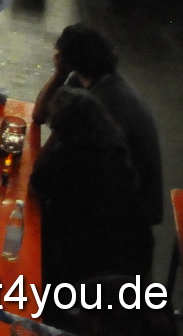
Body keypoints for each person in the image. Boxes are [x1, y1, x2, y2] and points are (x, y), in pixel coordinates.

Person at [31, 89, 155, 314]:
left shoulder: (69, 157)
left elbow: (36, 182)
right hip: (135, 261)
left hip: (88, 268)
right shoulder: (117, 153)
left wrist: (55, 137)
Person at [30, 23, 162, 226]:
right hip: (119, 196)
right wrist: (60, 75)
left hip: (125, 214)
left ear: (65, 58)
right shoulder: (99, 80)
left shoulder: (103, 102)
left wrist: (61, 129)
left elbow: (42, 177)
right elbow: (39, 115)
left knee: (39, 211)